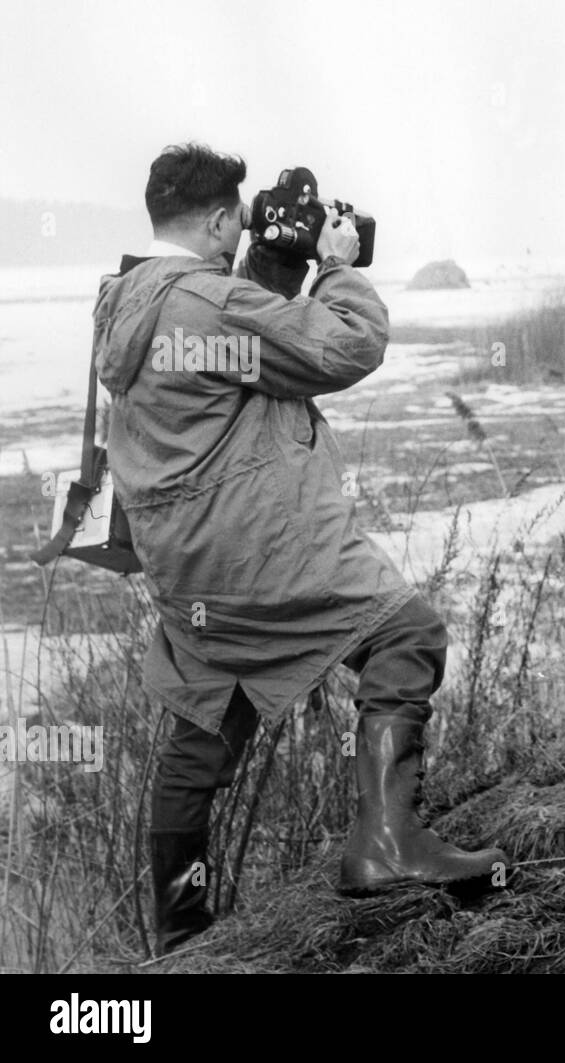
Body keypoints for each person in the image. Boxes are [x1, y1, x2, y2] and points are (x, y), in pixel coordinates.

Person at [93, 143, 506, 956]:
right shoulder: (209, 306)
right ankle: (385, 845)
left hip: (187, 575)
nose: (236, 238)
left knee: (202, 736)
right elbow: (343, 345)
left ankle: (181, 935)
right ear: (216, 220)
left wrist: (274, 259)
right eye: (235, 224)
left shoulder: (127, 302)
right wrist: (335, 265)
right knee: (406, 635)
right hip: (257, 563)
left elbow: (241, 352)